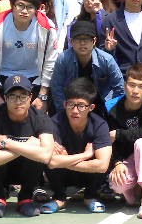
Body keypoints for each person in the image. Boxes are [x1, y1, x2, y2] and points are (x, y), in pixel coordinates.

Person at [0, 75, 55, 218]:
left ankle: (25, 198)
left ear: (30, 97)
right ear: (5, 98)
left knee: (37, 155)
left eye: (23, 96)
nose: (18, 101)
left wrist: (6, 143)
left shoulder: (41, 118)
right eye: (12, 97)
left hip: (27, 171)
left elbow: (45, 156)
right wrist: (26, 145)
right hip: (0, 170)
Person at [0, 0, 61, 111]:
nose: (24, 11)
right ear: (12, 5)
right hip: (2, 77)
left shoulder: (47, 28)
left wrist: (42, 95)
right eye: (20, 5)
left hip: (34, 78)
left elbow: (50, 61)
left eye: (30, 7)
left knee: (34, 119)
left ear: (37, 9)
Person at [42, 78, 113, 214]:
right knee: (46, 158)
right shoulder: (54, 123)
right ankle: (59, 197)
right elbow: (51, 162)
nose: (75, 110)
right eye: (71, 104)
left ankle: (90, 197)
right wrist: (85, 155)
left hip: (89, 174)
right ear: (64, 104)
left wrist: (64, 161)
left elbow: (102, 165)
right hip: (63, 175)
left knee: (103, 159)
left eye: (81, 106)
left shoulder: (100, 125)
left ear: (91, 108)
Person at [104, 64, 142, 219]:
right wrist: (117, 162)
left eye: (141, 86)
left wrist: (119, 134)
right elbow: (109, 141)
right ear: (125, 85)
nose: (135, 91)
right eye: (131, 85)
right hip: (127, 158)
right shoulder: (112, 107)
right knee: (118, 185)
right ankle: (137, 190)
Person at [50, 20, 124, 111]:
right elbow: (57, 87)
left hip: (101, 103)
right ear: (71, 41)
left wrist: (112, 110)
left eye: (87, 39)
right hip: (73, 104)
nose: (82, 43)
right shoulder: (63, 59)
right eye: (78, 39)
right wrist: (64, 112)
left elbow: (120, 88)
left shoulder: (107, 60)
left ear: (94, 41)